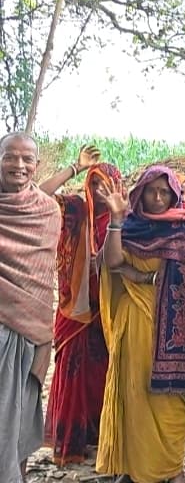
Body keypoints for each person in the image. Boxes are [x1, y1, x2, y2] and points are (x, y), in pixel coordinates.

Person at [95, 165, 185, 483]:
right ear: (140, 192)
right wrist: (116, 220)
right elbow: (112, 263)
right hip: (136, 322)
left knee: (171, 404)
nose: (157, 196)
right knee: (135, 394)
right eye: (151, 190)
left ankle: (169, 468)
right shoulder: (131, 226)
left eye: (164, 191)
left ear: (175, 195)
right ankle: (136, 469)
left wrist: (142, 275)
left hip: (175, 333)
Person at [32, 147, 118, 466]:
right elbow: (39, 196)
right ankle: (71, 442)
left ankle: (100, 440)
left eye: (106, 184)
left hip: (109, 312)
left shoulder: (125, 220)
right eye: (94, 184)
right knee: (74, 372)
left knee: (103, 375)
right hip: (75, 311)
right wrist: (75, 167)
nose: (99, 191)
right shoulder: (76, 210)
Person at [0, 132, 62, 481]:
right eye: (10, 157)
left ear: (37, 166)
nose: (18, 166)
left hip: (30, 333)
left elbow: (41, 272)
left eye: (26, 160)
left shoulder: (47, 211)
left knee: (21, 418)